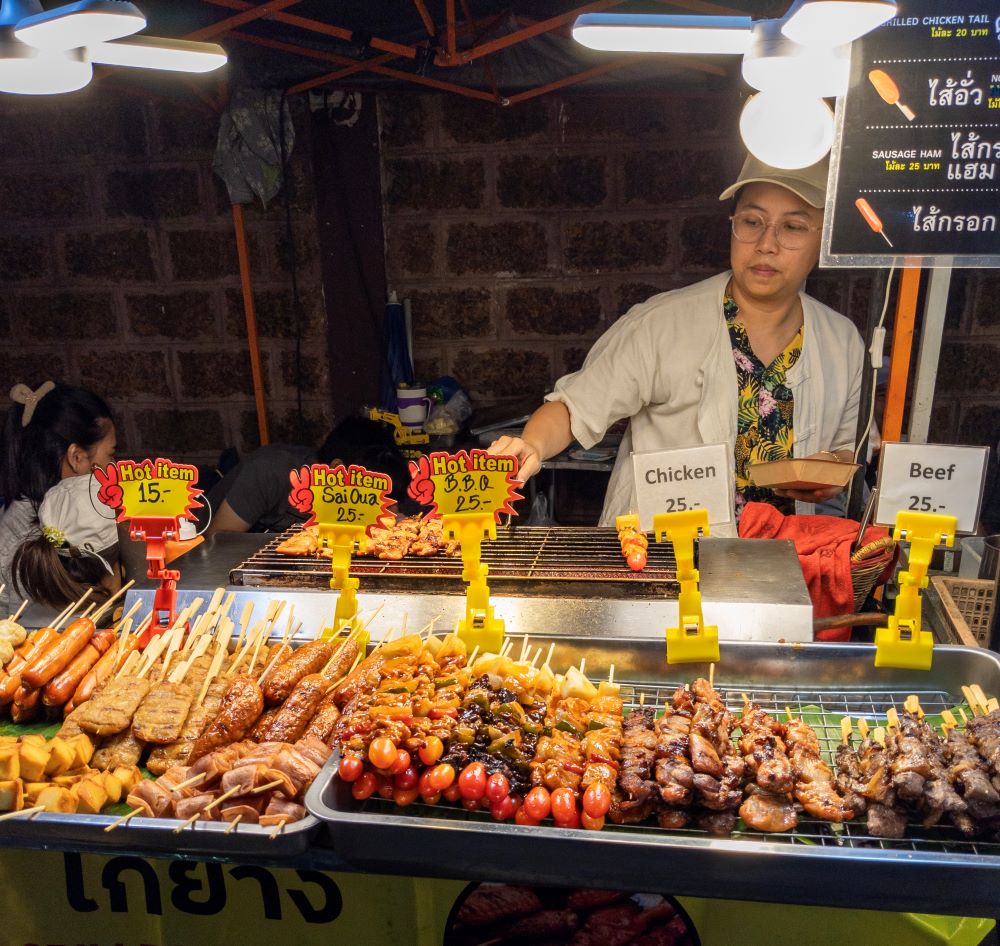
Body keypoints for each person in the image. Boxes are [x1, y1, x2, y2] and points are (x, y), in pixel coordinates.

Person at [490, 153, 864, 533]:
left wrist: (832, 467)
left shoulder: (842, 341)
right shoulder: (662, 324)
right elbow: (576, 408)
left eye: (794, 227)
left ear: (824, 238)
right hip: (660, 562)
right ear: (733, 224)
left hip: (786, 570)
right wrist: (532, 445)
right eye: (752, 222)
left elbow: (848, 445)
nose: (767, 244)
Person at [0, 381, 121, 618]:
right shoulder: (36, 541)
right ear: (77, 457)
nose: (115, 466)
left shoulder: (37, 512)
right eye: (111, 454)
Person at [203, 416, 415, 535]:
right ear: (337, 469)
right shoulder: (270, 472)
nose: (385, 506)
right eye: (374, 495)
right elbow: (221, 542)